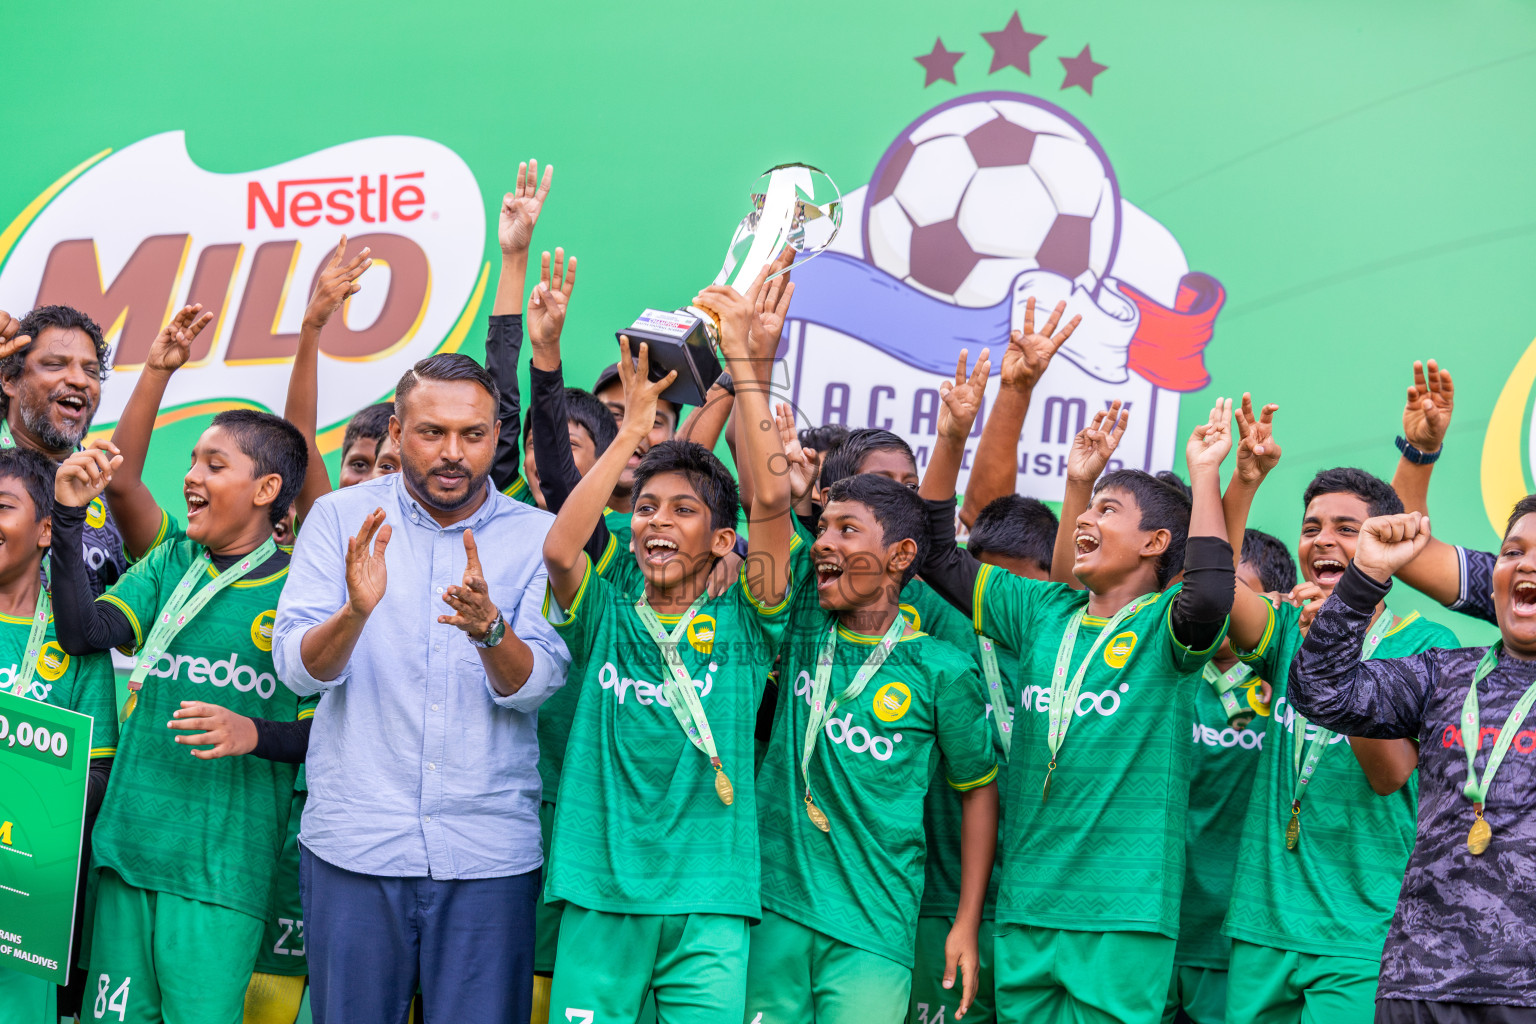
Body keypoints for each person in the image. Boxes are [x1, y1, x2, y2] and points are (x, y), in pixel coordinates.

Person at [916, 376, 1242, 1024]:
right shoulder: (1041, 608)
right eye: (1087, 509)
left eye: (1108, 510)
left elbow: (1210, 594)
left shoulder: (1165, 629)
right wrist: (952, 437)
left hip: (1123, 914)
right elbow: (933, 553)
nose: (1087, 519)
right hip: (1028, 907)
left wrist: (1206, 474)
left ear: (1154, 544)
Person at [273, 352, 568, 1024]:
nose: (453, 453)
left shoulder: (537, 538)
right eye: (432, 432)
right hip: (356, 845)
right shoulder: (339, 519)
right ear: (397, 434)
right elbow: (295, 669)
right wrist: (353, 613)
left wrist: (492, 630)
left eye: (472, 434)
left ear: (498, 438)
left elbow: (538, 685)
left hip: (486, 856)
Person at [539, 259, 794, 1022]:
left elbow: (771, 494)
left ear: (723, 542)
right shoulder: (609, 614)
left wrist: (749, 364)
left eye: (682, 512)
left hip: (710, 903)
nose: (655, 522)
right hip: (600, 892)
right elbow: (560, 550)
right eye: (646, 508)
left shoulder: (750, 624)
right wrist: (629, 438)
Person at [48, 404, 312, 1024]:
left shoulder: (301, 589)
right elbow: (84, 632)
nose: (191, 475)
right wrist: (65, 519)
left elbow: (332, 733)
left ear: (267, 489)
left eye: (213, 464)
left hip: (221, 875)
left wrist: (253, 732)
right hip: (128, 853)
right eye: (192, 460)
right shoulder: (171, 563)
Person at [747, 416, 1000, 1024]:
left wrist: (965, 922)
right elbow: (768, 522)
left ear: (901, 556)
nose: (825, 543)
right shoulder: (803, 617)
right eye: (823, 529)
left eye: (848, 529)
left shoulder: (941, 668)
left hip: (875, 923)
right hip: (774, 906)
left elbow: (979, 793)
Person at [1217, 397, 1458, 1023]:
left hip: (1363, 932)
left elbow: (1392, 776)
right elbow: (1213, 591)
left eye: (1346, 530)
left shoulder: (1430, 646)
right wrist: (1243, 480)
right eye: (1311, 528)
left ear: (1383, 545)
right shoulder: (1285, 625)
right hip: (1263, 925)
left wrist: (1338, 654)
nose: (1322, 540)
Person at [1290, 506, 1536, 1023]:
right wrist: (1366, 578)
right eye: (1513, 552)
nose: (1525, 565)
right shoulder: (1445, 674)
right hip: (1419, 983)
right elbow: (1321, 692)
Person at [907, 493, 1057, 1024]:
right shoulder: (945, 630)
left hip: (1043, 915)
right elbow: (928, 542)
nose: (999, 602)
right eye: (985, 587)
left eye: (1017, 585)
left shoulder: (1071, 647)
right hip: (944, 903)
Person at [0, 447, 117, 1023]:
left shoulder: (72, 642)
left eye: (1, 506)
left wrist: (23, 796)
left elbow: (98, 770)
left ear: (48, 529)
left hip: (26, 894)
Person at [1166, 528, 1295, 1024]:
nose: (1213, 606)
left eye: (1231, 595)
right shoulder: (1164, 671)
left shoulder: (1291, 685)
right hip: (1150, 926)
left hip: (1233, 941)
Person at [0, 305, 123, 594]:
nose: (79, 380)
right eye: (56, 364)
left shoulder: (110, 499)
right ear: (8, 379)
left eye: (90, 370)